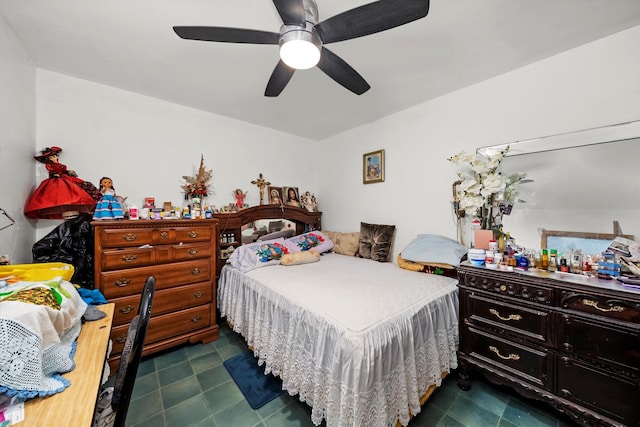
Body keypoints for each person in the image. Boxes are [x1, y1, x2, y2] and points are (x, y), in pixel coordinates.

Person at [24, 146, 101, 219]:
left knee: (79, 188)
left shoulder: (59, 164)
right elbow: (51, 171)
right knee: (63, 194)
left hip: (65, 178)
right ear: (49, 159)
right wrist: (55, 174)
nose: (54, 158)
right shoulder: (50, 165)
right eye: (52, 157)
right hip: (57, 180)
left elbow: (63, 171)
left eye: (55, 156)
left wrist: (68, 172)